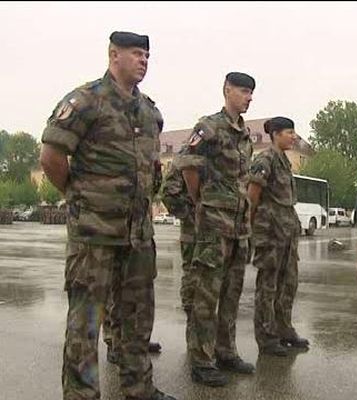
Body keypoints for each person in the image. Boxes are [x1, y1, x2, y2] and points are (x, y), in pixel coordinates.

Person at [39, 32, 176, 400]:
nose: (144, 60)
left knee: (137, 320)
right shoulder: (85, 101)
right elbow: (51, 157)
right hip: (94, 235)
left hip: (138, 236)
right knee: (85, 323)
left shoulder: (150, 112)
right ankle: (82, 395)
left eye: (147, 54)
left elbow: (152, 170)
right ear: (114, 55)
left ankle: (139, 389)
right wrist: (78, 196)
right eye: (136, 53)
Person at [175, 72, 256, 387]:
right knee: (206, 296)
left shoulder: (245, 134)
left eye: (252, 92)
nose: (249, 97)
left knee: (231, 294)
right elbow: (186, 161)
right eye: (244, 91)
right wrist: (199, 200)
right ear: (227, 90)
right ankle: (201, 360)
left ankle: (226, 351)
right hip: (213, 225)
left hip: (238, 227)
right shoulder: (209, 126)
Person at [248, 116, 310, 357]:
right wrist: (251, 230)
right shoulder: (265, 160)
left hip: (286, 232)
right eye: (289, 132)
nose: (293, 136)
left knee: (288, 284)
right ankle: (266, 337)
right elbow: (252, 196)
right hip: (270, 233)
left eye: (294, 132)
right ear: (275, 134)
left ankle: (284, 328)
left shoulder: (284, 161)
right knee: (268, 286)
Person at [160, 149, 196, 348]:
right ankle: (195, 343)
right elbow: (169, 192)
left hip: (218, 232)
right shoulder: (186, 155)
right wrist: (191, 215)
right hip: (194, 235)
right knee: (193, 283)